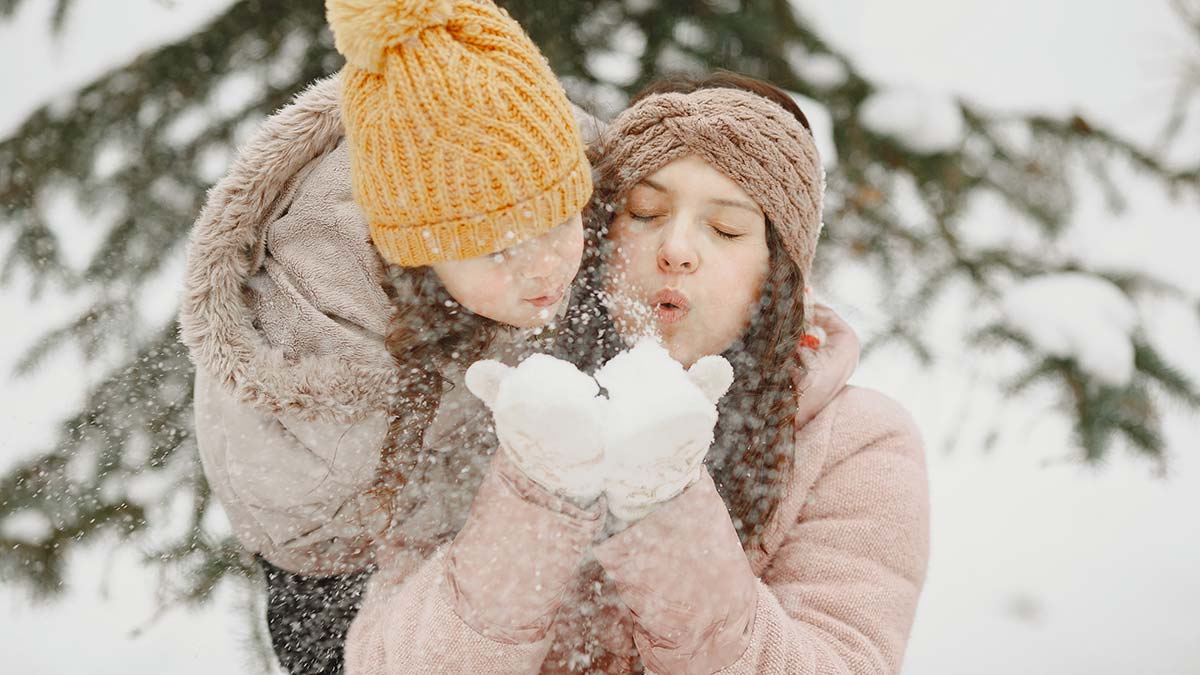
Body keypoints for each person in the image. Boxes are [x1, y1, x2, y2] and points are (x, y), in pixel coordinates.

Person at [342, 71, 930, 674]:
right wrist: (537, 493)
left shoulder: (857, 443)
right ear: (598, 237)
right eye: (646, 212)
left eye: (726, 228)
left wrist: (663, 504)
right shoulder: (493, 394)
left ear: (780, 274)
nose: (676, 248)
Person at [179, 0, 594, 672]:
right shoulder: (329, 340)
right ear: (417, 253)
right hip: (333, 560)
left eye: (557, 224)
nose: (544, 265)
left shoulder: (521, 155)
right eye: (497, 251)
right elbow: (362, 531)